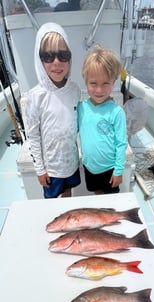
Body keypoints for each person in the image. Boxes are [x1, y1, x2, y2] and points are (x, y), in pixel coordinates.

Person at [25, 22, 81, 198]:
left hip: (71, 163)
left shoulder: (75, 90)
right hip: (50, 169)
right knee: (51, 203)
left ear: (69, 58)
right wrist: (40, 170)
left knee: (68, 193)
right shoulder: (35, 96)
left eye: (63, 55)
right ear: (39, 59)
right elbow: (33, 136)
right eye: (48, 56)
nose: (56, 62)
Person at [78, 47, 128, 195]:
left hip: (110, 169)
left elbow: (121, 143)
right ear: (85, 81)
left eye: (106, 83)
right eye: (93, 83)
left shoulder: (116, 112)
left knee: (110, 202)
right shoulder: (81, 108)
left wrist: (118, 171)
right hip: (90, 167)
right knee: (97, 195)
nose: (99, 90)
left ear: (113, 81)